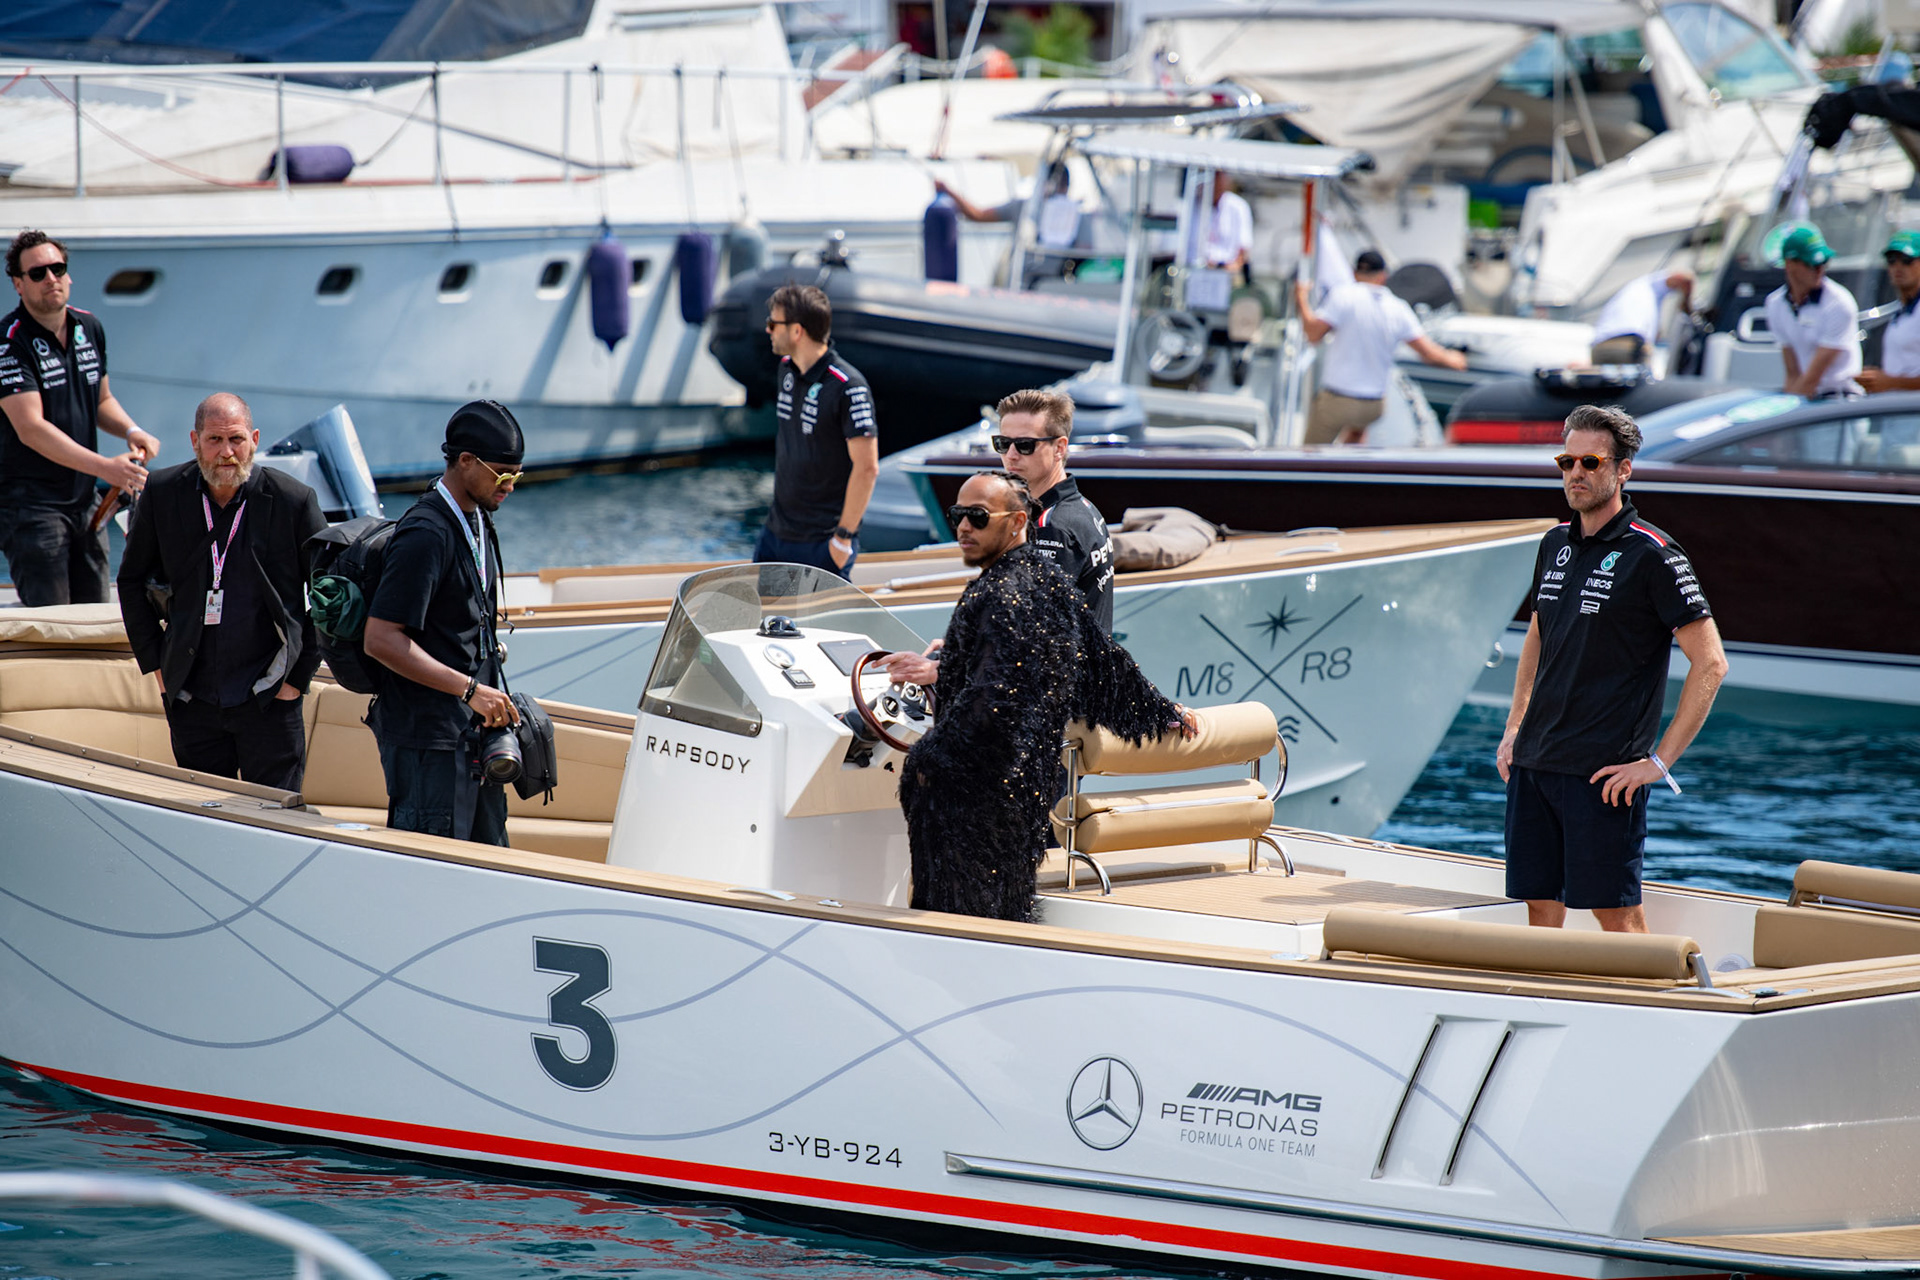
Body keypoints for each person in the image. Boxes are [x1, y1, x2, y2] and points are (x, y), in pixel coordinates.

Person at [875, 470, 1195, 923]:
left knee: (959, 917)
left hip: (975, 798)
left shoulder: (1001, 592)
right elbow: (1102, 661)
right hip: (1024, 787)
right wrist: (1158, 711)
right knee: (1002, 910)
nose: (964, 527)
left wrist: (929, 760)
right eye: (958, 515)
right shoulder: (1044, 579)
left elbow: (997, 699)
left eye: (978, 517)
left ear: (1017, 521)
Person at [1496, 404, 1727, 934]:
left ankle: (1648, 1007)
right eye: (1566, 461)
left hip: (1604, 775)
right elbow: (1538, 633)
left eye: (1591, 462)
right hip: (1534, 765)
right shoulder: (1554, 543)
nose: (1575, 473)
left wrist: (1659, 764)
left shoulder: (1655, 555)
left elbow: (1710, 663)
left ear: (1623, 469)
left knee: (1615, 914)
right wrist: (1514, 726)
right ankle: (1542, 1002)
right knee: (1539, 906)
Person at [116, 393, 326, 790]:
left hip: (269, 694)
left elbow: (328, 597)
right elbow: (130, 581)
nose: (226, 452)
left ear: (255, 439)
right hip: (190, 697)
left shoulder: (294, 501)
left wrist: (296, 680)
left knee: (276, 824)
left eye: (236, 439)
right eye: (214, 440)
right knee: (203, 821)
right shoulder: (162, 492)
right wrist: (159, 667)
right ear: (194, 441)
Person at [364, 401, 524, 846]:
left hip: (470, 737)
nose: (510, 486)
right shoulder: (426, 534)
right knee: (431, 876)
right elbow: (380, 638)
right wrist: (470, 691)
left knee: (492, 864)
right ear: (466, 462)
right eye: (503, 474)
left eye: (518, 476)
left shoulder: (477, 520)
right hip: (427, 745)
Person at [0, 229, 160, 605]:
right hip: (32, 508)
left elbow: (101, 400)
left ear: (68, 275)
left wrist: (132, 430)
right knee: (54, 625)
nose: (51, 278)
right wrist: (106, 467)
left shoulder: (89, 327)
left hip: (85, 502)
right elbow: (31, 428)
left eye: (58, 268)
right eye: (38, 273)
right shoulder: (8, 342)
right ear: (19, 284)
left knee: (93, 618)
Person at [755, 284, 878, 581]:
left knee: (816, 628)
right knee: (760, 625)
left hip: (821, 544)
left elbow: (867, 468)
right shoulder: (785, 369)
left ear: (797, 331)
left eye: (773, 323)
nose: (768, 330)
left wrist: (843, 539)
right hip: (775, 535)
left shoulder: (848, 386)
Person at [1296, 250, 1468, 445]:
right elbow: (1428, 353)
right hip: (1373, 405)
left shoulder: (1343, 295)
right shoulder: (1397, 307)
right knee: (1356, 436)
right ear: (1383, 276)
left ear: (1354, 273)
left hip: (1338, 399)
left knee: (1310, 452)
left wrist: (1301, 298)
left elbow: (1313, 334)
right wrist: (1456, 359)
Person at [993, 388, 1113, 632]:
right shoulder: (1085, 507)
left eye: (1025, 445)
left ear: (1059, 448)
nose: (1011, 455)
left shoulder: (1051, 527)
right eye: (1003, 444)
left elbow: (1032, 634)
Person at [1762, 225, 1862, 398]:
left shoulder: (1840, 304)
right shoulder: (1774, 304)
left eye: (1822, 263)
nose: (1819, 270)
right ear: (1789, 264)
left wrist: (1789, 414)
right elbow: (1793, 373)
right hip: (1808, 401)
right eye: (1812, 264)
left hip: (1843, 401)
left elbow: (1813, 378)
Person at [1588, 268, 1693, 366]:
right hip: (1628, 345)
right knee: (1642, 383)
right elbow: (1685, 278)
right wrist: (1686, 304)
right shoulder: (1652, 285)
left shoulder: (1636, 292)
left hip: (1599, 349)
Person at [1859, 230, 1920, 392]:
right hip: (1897, 411)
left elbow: (1894, 381)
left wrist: (1891, 382)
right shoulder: (1902, 309)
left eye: (1907, 260)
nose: (1898, 267)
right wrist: (1876, 378)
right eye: (1892, 261)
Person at [1189, 173, 1253, 282]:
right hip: (1193, 271)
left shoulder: (1238, 206)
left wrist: (1231, 267)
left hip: (1226, 272)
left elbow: (1243, 249)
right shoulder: (1189, 205)